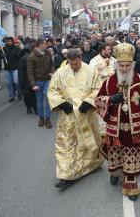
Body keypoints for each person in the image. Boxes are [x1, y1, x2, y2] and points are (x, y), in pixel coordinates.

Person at [95, 43, 140, 201]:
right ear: (117, 65)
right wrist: (110, 100)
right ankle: (116, 172)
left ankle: (132, 188)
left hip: (135, 130)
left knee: (133, 159)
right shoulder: (109, 82)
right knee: (116, 154)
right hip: (115, 128)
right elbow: (98, 101)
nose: (124, 68)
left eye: (127, 65)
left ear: (132, 65)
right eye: (121, 65)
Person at [47, 49, 103, 189]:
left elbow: (98, 88)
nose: (74, 66)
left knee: (86, 141)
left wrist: (89, 102)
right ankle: (67, 174)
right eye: (71, 64)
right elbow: (52, 90)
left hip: (86, 114)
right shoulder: (60, 72)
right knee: (66, 144)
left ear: (80, 58)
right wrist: (62, 103)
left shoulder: (91, 71)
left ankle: (91, 165)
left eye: (76, 64)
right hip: (68, 115)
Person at [27, 39, 54, 129]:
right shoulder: (31, 57)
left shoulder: (48, 53)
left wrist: (52, 72)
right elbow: (29, 72)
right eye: (44, 44)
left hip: (47, 80)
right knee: (39, 100)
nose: (46, 45)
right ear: (39, 45)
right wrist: (33, 84)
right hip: (38, 81)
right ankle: (41, 118)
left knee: (48, 97)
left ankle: (47, 118)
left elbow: (51, 64)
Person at [18, 43, 37, 115]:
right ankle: (28, 106)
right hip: (26, 80)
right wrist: (21, 81)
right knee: (27, 95)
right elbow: (21, 71)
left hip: (33, 79)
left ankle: (35, 108)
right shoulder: (23, 58)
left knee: (34, 95)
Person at [3, 37, 22, 102]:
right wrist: (2, 55)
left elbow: (20, 57)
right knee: (9, 83)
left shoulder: (17, 48)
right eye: (8, 41)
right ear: (7, 42)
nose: (10, 42)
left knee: (16, 82)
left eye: (11, 41)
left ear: (13, 42)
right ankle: (12, 96)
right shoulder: (4, 49)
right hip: (7, 68)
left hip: (15, 68)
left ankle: (19, 93)